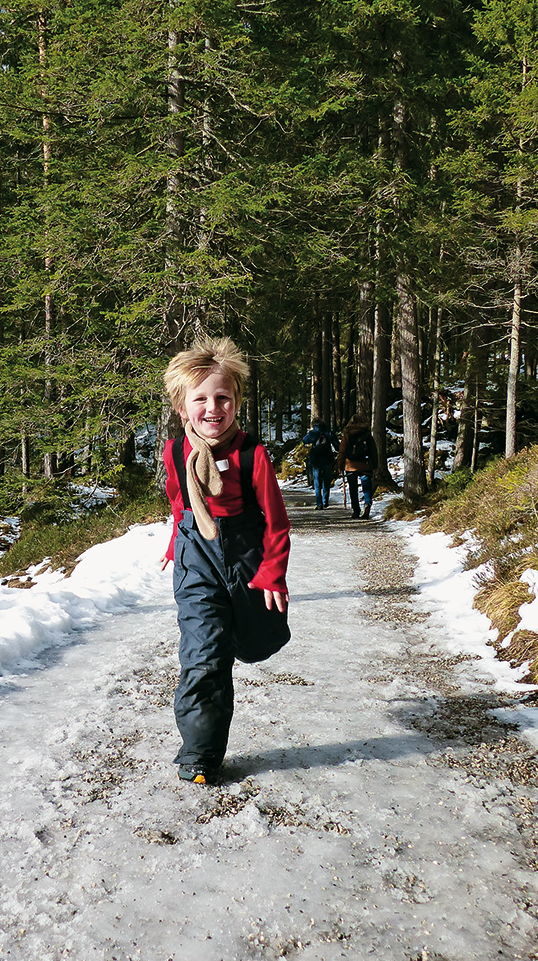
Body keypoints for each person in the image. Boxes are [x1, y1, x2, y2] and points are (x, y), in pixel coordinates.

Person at [161, 336, 291, 785]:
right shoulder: (175, 451)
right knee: (203, 655)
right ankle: (200, 755)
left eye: (223, 398)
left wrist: (272, 572)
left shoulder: (251, 454)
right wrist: (175, 543)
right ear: (182, 408)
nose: (212, 408)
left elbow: (276, 521)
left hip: (244, 553)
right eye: (200, 399)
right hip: (195, 558)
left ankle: (237, 630)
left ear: (236, 402)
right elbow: (179, 501)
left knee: (258, 643)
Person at [336, 413, 378, 519]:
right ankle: (367, 503)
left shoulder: (347, 434)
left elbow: (342, 451)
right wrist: (374, 464)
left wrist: (340, 465)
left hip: (351, 465)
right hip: (365, 464)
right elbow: (373, 450)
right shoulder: (367, 434)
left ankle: (356, 510)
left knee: (353, 489)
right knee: (367, 488)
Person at [302, 419, 339, 510]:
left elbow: (304, 440)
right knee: (326, 481)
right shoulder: (329, 433)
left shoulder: (313, 433)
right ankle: (325, 501)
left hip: (316, 461)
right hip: (327, 460)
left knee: (317, 482)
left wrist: (312, 433)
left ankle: (319, 503)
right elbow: (337, 446)